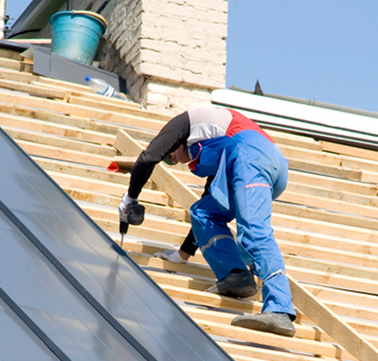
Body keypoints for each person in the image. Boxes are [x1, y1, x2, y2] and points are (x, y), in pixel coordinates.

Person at [119, 106, 296, 337]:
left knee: (253, 231)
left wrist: (129, 199)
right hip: (252, 159)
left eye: (170, 156)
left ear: (177, 141)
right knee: (204, 212)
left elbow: (148, 158)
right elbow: (208, 194)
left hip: (252, 157)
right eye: (168, 161)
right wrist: (182, 255)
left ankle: (280, 310)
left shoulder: (185, 123)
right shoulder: (213, 144)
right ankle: (236, 276)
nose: (171, 160)